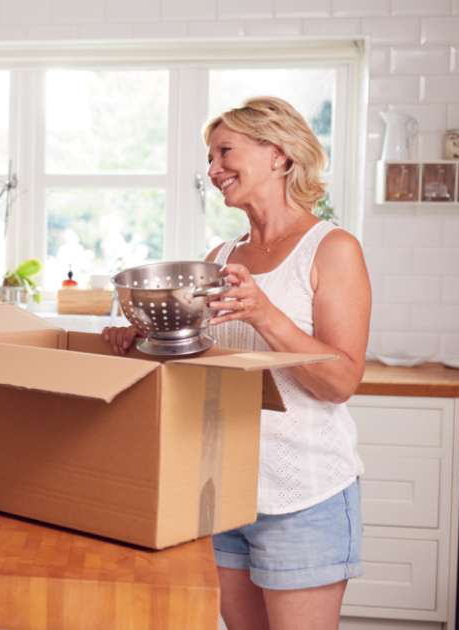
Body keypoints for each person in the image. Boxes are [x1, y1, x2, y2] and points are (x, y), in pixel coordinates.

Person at [103, 96, 370, 630]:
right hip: (223, 492)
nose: (212, 170)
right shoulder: (220, 257)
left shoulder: (331, 248)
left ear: (278, 154)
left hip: (304, 496)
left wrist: (266, 314)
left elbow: (341, 380)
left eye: (225, 151)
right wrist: (143, 337)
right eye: (210, 157)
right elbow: (201, 363)